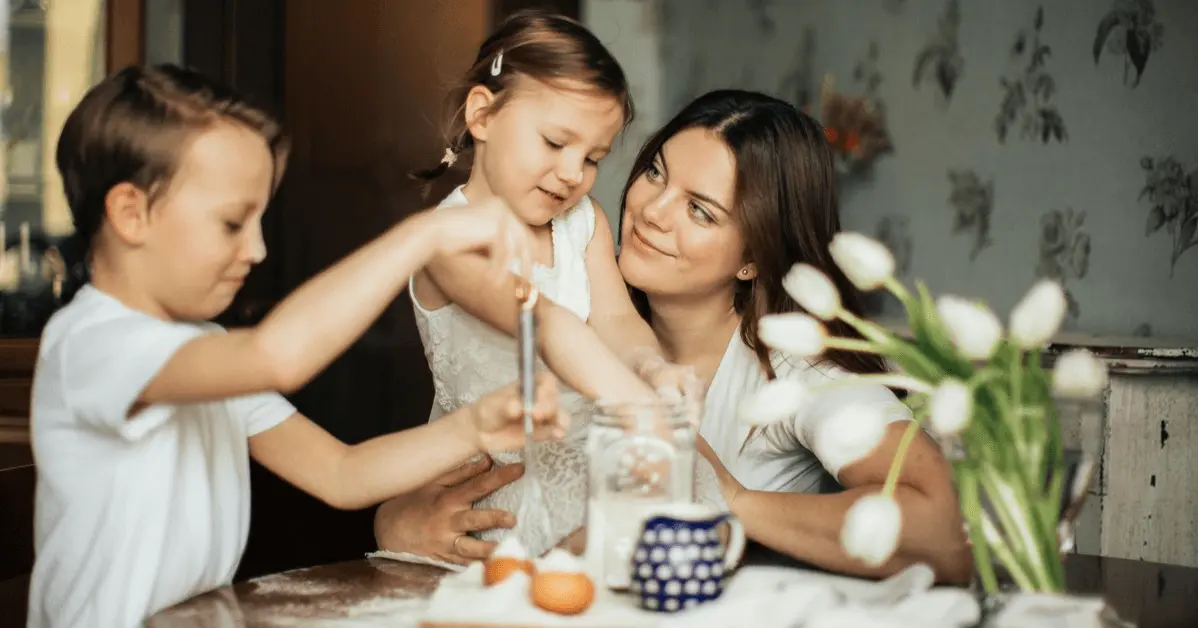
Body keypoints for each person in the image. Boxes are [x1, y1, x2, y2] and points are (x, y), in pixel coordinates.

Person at [28, 64, 566, 628]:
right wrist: (423, 235)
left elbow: (341, 473)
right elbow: (276, 357)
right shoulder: (93, 345)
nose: (257, 249)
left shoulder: (205, 352)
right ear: (131, 214)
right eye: (233, 223)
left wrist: (476, 425)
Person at [380, 89, 972, 583]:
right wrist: (398, 520)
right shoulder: (562, 306)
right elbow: (454, 471)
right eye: (655, 173)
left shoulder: (792, 372)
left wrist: (729, 499)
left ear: (753, 258)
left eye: (701, 211)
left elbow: (943, 536)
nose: (652, 211)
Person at [405, 10, 699, 560]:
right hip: (488, 500)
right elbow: (541, 322)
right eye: (554, 143)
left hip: (581, 487)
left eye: (591, 159)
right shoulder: (447, 239)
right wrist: (635, 401)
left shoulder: (582, 222)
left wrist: (652, 368)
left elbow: (615, 321)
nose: (572, 174)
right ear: (483, 115)